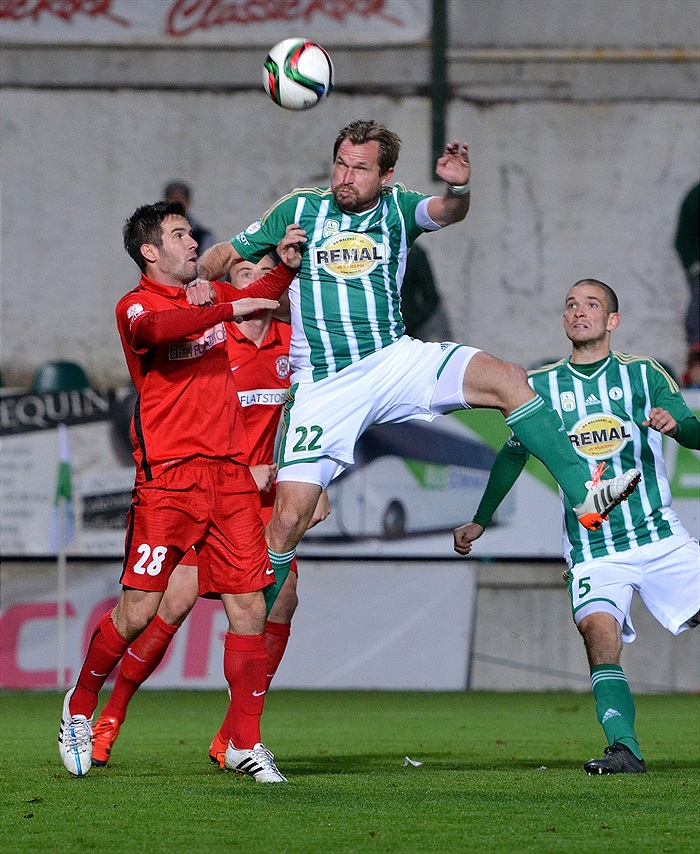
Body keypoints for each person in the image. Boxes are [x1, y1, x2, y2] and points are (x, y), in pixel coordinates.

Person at [191, 119, 641, 610]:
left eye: (360, 169)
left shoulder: (398, 207)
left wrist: (458, 187)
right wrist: (197, 281)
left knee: (508, 379)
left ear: (385, 175)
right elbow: (225, 253)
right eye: (340, 164)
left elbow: (447, 210)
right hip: (324, 382)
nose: (345, 177)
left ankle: (585, 496)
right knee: (287, 521)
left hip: (393, 360)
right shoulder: (299, 208)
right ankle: (251, 632)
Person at [57, 200, 305, 783]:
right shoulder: (135, 306)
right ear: (150, 251)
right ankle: (81, 704)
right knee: (139, 610)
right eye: (179, 235)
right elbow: (160, 330)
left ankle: (244, 742)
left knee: (250, 604)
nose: (193, 242)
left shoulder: (207, 298)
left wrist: (286, 267)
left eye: (191, 234)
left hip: (230, 477)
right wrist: (223, 305)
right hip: (168, 481)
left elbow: (261, 292)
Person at [454, 278, 700, 775]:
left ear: (613, 320)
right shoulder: (538, 386)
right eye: (571, 304)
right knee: (598, 635)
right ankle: (624, 749)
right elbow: (513, 454)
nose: (579, 311)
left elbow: (695, 431)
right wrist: (481, 520)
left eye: (591, 304)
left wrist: (679, 427)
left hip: (658, 536)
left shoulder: (644, 373)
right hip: (592, 549)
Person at [400, 242, 453, 341]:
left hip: (404, 331)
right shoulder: (412, 252)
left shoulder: (413, 253)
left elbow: (432, 298)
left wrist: (410, 322)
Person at [164, 180, 216, 253]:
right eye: (173, 199)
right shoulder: (155, 233)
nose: (177, 204)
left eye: (181, 199)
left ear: (188, 202)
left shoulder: (202, 237)